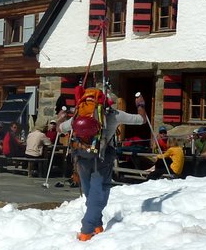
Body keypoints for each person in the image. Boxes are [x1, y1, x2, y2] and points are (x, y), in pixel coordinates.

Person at [56, 91, 145, 241]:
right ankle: (87, 230)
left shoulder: (79, 116)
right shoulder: (114, 115)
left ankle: (97, 225)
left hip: (82, 158)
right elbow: (141, 120)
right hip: (102, 159)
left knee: (90, 194)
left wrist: (61, 118)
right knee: (99, 194)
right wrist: (140, 104)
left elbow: (59, 129)